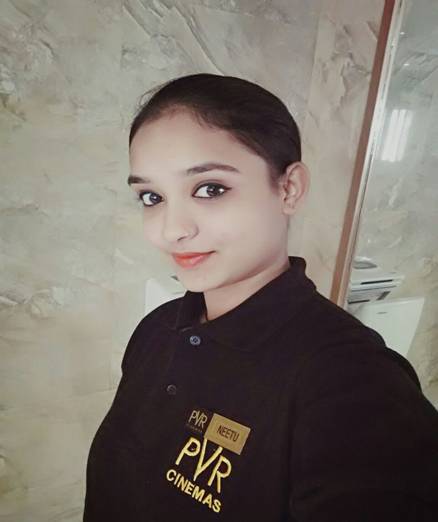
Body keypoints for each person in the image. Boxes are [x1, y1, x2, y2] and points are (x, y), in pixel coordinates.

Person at [83, 73, 438, 521]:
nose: (172, 230)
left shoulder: (354, 385)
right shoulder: (156, 329)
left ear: (289, 188)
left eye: (210, 189)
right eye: (151, 197)